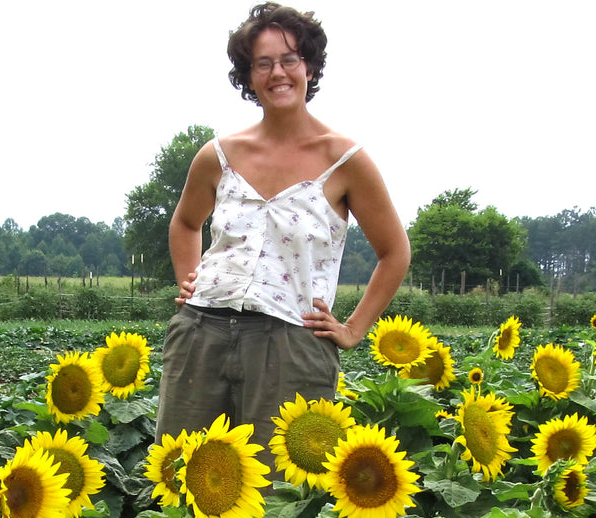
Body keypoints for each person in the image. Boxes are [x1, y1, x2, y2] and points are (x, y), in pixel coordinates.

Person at [154, 1, 411, 464]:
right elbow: (185, 223)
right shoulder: (219, 154)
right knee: (179, 477)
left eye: (289, 59)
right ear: (248, 77)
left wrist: (353, 329)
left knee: (279, 503)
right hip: (201, 333)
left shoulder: (345, 160)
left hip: (292, 343)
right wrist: (188, 279)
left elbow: (395, 252)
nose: (278, 72)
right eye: (263, 63)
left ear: (309, 66)